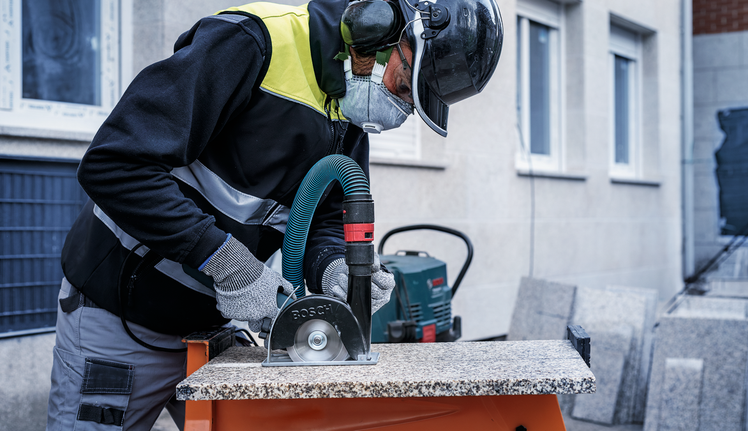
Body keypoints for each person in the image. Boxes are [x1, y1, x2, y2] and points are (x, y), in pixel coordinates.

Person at [46, 0, 503, 429]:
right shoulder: (250, 44)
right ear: (378, 26)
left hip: (215, 330)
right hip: (120, 319)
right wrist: (227, 262)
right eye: (404, 86)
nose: (397, 107)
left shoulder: (347, 104)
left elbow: (322, 215)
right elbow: (114, 165)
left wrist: (333, 266)